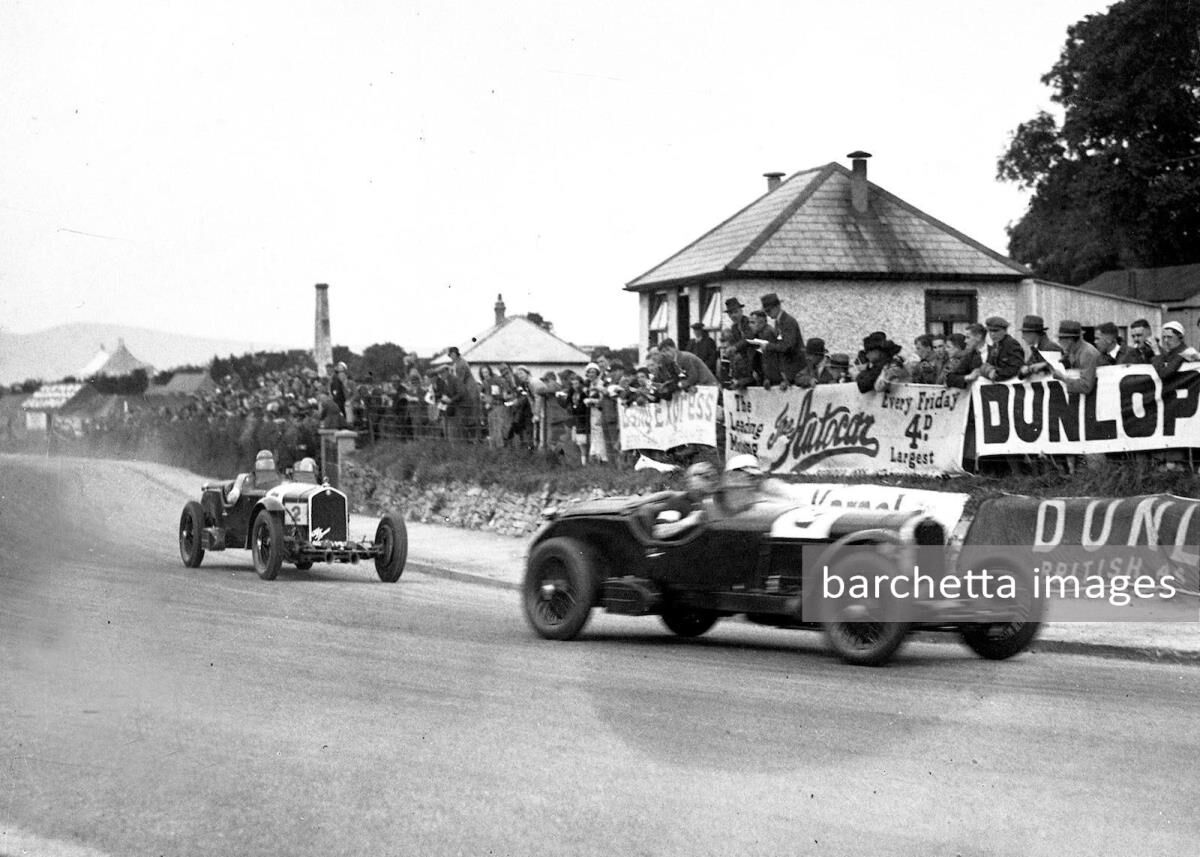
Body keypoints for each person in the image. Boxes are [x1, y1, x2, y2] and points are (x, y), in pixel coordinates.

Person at [650, 461, 720, 539]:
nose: (713, 481)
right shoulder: (679, 502)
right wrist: (689, 521)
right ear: (691, 480)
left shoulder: (718, 500)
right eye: (706, 476)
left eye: (714, 476)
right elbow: (659, 532)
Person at [749, 293, 805, 390]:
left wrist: (768, 346)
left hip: (796, 369)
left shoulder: (788, 321)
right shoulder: (778, 322)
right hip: (788, 371)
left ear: (778, 307)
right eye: (766, 311)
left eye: (769, 310)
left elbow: (788, 346)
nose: (768, 314)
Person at [1050, 320, 1101, 395]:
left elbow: (1086, 386)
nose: (1059, 341)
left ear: (1070, 340)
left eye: (1061, 338)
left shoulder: (1087, 353)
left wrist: (1062, 378)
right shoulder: (1073, 351)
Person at [980, 316, 1025, 382]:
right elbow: (989, 364)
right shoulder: (995, 344)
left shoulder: (1011, 344)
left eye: (996, 331)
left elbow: (1016, 368)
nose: (992, 334)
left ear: (1005, 331)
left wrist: (996, 373)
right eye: (990, 331)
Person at [1017, 315, 1062, 379]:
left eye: (1025, 333)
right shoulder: (1036, 349)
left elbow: (1061, 368)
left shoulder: (1050, 348)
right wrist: (1024, 370)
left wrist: (1044, 365)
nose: (1023, 337)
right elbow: (1024, 371)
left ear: (1034, 333)